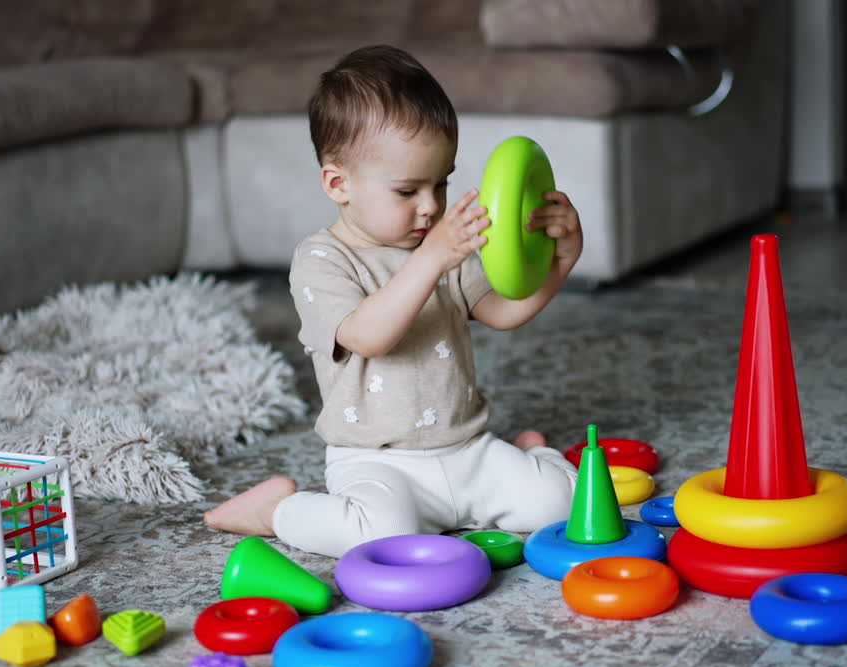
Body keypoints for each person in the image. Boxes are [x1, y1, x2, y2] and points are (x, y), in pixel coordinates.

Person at [204, 44, 585, 558]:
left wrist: (561, 262)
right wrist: (431, 260)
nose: (431, 207)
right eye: (408, 191)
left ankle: (532, 455)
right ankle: (276, 511)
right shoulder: (321, 261)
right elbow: (369, 336)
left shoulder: (438, 249)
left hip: (467, 448)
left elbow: (502, 312)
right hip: (377, 462)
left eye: (441, 183)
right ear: (339, 184)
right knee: (381, 539)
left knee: (561, 504)